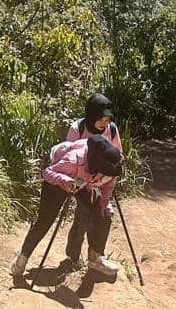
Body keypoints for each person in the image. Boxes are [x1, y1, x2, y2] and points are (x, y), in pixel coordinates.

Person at [10, 134, 124, 281]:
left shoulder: (113, 163)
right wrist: (66, 181)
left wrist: (104, 204)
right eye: (106, 171)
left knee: (103, 215)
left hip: (84, 183)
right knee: (45, 221)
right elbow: (47, 173)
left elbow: (109, 184)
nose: (109, 175)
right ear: (97, 164)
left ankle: (95, 258)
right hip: (59, 178)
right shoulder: (72, 160)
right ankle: (22, 257)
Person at [63, 94, 123, 268]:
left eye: (107, 119)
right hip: (81, 180)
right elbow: (69, 156)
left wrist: (112, 171)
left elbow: (118, 153)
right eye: (101, 119)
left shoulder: (111, 129)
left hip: (103, 180)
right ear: (92, 116)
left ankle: (95, 256)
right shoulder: (78, 128)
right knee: (84, 213)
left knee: (105, 215)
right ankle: (73, 256)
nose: (105, 123)